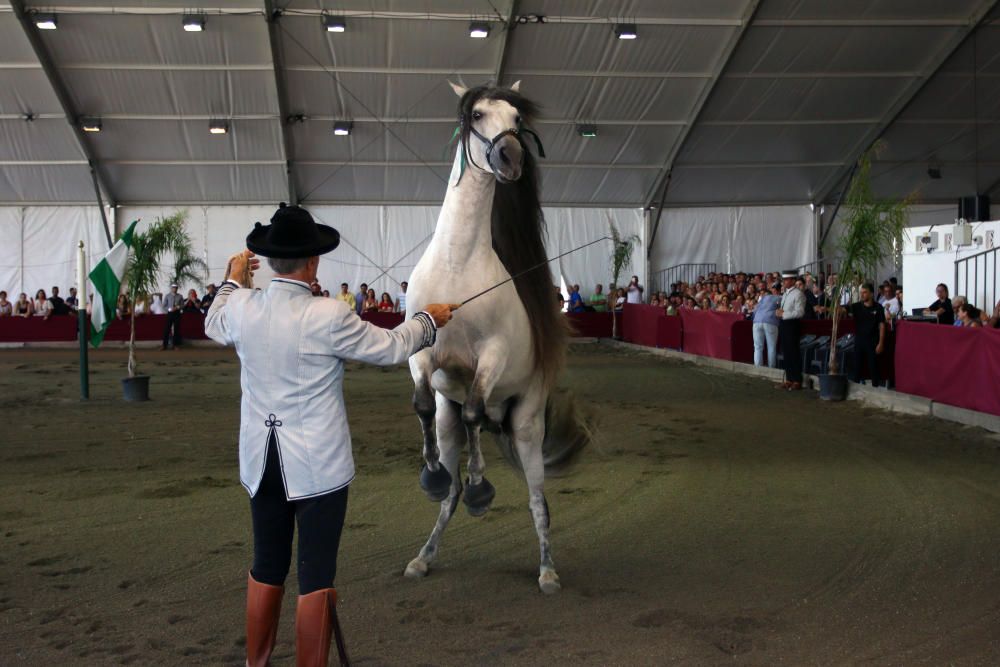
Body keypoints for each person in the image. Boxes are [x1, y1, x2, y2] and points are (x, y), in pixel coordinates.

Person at [203, 203, 456, 667]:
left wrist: (233, 276)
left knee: (267, 564)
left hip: (262, 462)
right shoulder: (328, 315)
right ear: (312, 261)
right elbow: (391, 347)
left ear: (270, 261)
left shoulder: (239, 306)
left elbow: (212, 318)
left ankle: (255, 662)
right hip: (318, 465)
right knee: (315, 575)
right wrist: (429, 320)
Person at [845, 283, 886, 387]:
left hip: (873, 341)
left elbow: (882, 326)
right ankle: (855, 388)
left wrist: (881, 343)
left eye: (865, 292)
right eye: (861, 293)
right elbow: (844, 309)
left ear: (871, 294)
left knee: (873, 367)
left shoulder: (879, 307)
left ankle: (875, 388)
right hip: (859, 341)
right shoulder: (857, 306)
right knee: (857, 366)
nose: (862, 295)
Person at [775, 271, 805, 390]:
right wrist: (779, 313)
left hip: (792, 325)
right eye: (784, 280)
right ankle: (789, 379)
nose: (784, 282)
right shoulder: (786, 293)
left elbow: (800, 312)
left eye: (786, 280)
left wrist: (784, 314)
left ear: (793, 280)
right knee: (786, 352)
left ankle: (797, 380)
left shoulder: (798, 294)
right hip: (784, 324)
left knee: (793, 352)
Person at [753, 287, 780, 368]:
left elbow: (754, 311)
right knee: (771, 347)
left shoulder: (761, 299)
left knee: (758, 347)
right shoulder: (779, 297)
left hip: (756, 322)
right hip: (770, 322)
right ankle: (771, 368)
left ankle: (757, 368)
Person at [162, 283, 184, 349]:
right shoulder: (167, 296)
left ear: (177, 288)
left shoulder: (180, 296)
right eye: (173, 287)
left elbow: (182, 305)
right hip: (170, 313)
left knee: (176, 329)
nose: (174, 289)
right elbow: (164, 305)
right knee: (167, 329)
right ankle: (164, 345)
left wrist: (178, 307)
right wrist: (169, 309)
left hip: (177, 313)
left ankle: (175, 345)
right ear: (171, 288)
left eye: (176, 288)